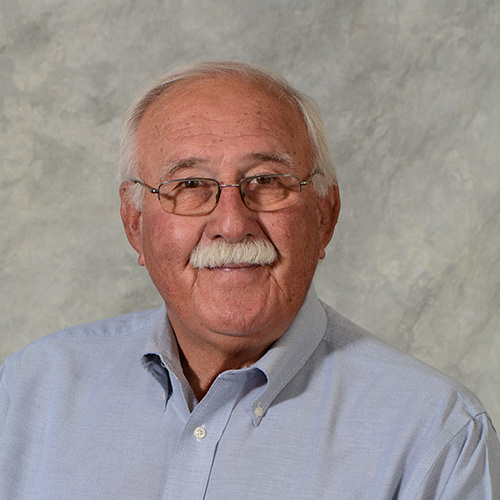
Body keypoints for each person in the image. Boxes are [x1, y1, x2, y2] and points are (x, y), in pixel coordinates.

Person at [0, 60, 498, 500]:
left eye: (266, 181)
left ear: (326, 215)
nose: (232, 223)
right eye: (190, 185)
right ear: (135, 224)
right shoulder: (28, 393)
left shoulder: (438, 436)